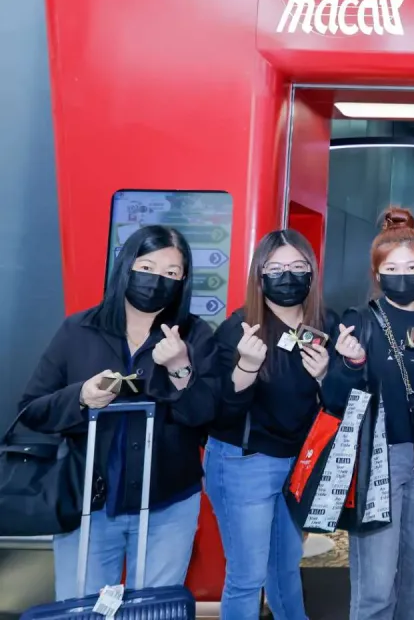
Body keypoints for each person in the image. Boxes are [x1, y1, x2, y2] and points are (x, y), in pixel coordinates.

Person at [19, 225, 217, 601]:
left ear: (183, 281)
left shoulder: (194, 335)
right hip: (88, 506)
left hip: (168, 506)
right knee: (83, 607)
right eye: (147, 267)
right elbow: (32, 410)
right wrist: (81, 397)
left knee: (153, 609)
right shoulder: (78, 330)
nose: (157, 280)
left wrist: (180, 369)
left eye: (171, 273)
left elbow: (207, 417)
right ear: (126, 266)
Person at [326, 207, 414, 620]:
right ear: (377, 273)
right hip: (378, 458)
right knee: (375, 584)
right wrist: (350, 365)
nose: (402, 275)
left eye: (412, 267)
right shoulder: (361, 320)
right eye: (392, 268)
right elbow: (334, 398)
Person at [204, 229, 343, 620]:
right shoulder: (239, 329)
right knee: (247, 576)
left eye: (298, 267)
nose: (288, 276)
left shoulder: (326, 325)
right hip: (244, 462)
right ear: (260, 275)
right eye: (276, 268)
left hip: (298, 464)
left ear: (311, 273)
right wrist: (246, 367)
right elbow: (219, 412)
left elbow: (342, 403)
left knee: (285, 568)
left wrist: (326, 376)